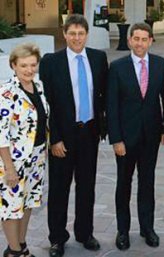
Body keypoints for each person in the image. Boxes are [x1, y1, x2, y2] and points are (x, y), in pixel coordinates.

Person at [39, 14, 108, 257]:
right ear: (65, 35)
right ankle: (57, 238)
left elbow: (103, 96)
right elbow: (47, 103)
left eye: (81, 33)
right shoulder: (51, 62)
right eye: (72, 33)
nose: (77, 38)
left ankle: (85, 232)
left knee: (87, 186)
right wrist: (54, 138)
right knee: (59, 188)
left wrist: (104, 127)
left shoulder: (98, 59)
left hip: (89, 132)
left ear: (86, 35)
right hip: (62, 137)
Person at [107, 22, 164, 251]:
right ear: (129, 40)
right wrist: (116, 139)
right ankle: (123, 231)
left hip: (151, 137)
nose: (140, 43)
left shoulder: (161, 65)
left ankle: (147, 228)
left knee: (147, 183)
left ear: (151, 41)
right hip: (125, 138)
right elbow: (111, 106)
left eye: (145, 39)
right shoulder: (117, 67)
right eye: (136, 39)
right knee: (123, 184)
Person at [0, 43, 49, 257]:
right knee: (11, 206)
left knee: (28, 201)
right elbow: (1, 133)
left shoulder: (38, 87)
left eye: (32, 65)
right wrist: (9, 168)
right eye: (23, 65)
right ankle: (13, 251)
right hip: (13, 162)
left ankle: (22, 245)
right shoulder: (6, 93)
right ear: (13, 65)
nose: (29, 69)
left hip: (36, 157)